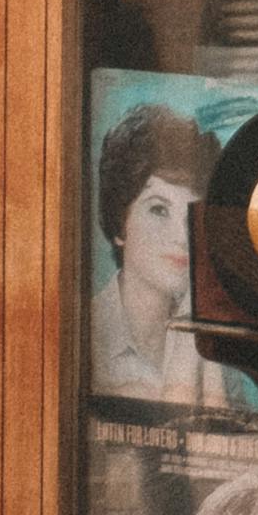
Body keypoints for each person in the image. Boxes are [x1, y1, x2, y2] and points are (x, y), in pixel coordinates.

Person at [91, 105, 230, 405]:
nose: (183, 236)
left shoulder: (207, 332)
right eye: (159, 209)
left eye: (194, 214)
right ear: (119, 224)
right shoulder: (85, 334)